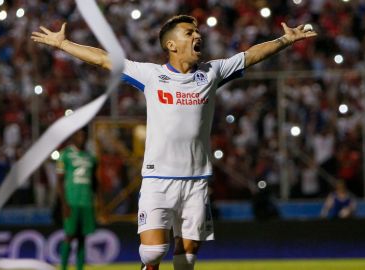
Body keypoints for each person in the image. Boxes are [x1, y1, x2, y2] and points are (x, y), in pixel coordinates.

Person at [32, 15, 316, 270]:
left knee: (187, 257)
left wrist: (285, 40)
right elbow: (105, 59)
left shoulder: (211, 72)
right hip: (158, 177)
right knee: (153, 252)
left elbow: (250, 56)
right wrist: (64, 44)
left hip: (197, 180)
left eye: (196, 31)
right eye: (189, 32)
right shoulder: (152, 76)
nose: (197, 35)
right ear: (171, 44)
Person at [56, 129, 98, 270]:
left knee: (82, 237)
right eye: (79, 135)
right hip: (71, 202)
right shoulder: (65, 155)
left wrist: (97, 201)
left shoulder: (90, 157)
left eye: (84, 136)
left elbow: (94, 182)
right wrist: (64, 204)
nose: (82, 138)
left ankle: (80, 268)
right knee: (69, 235)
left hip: (86, 202)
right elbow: (59, 181)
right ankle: (63, 267)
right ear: (74, 137)